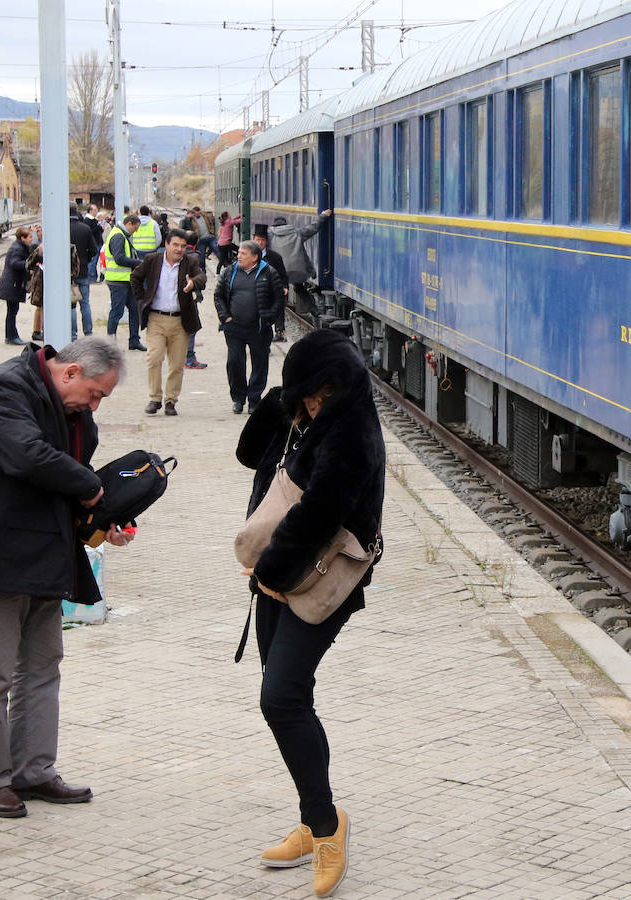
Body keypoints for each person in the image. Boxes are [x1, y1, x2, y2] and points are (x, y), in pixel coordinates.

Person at [0, 337, 133, 819]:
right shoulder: (2, 389)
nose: (94, 406)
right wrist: (90, 488)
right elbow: (26, 456)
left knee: (42, 667)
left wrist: (103, 516)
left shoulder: (69, 409)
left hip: (46, 555)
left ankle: (33, 770)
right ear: (69, 373)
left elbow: (75, 466)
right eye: (94, 395)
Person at [235, 329, 385, 898]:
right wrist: (283, 402)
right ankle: (310, 814)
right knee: (291, 696)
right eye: (309, 394)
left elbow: (321, 513)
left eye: (323, 393)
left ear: (343, 388)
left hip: (319, 575)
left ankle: (327, 829)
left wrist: (269, 570)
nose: (316, 403)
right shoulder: (302, 416)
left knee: (281, 697)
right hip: (279, 570)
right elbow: (250, 454)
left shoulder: (353, 432)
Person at [131, 228, 207, 416]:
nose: (179, 249)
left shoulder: (190, 262)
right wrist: (142, 299)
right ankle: (155, 398)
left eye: (183, 246)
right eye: (175, 245)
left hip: (180, 321)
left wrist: (193, 284)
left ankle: (171, 401)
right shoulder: (153, 260)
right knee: (154, 358)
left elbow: (202, 277)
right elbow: (135, 277)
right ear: (166, 244)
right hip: (156, 318)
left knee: (176, 364)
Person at [213, 240, 283, 415]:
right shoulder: (230, 271)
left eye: (243, 254)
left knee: (260, 364)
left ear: (255, 257)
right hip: (234, 327)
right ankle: (238, 398)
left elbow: (279, 299)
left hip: (259, 328)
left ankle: (254, 399)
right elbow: (218, 295)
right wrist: (225, 317)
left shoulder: (269, 272)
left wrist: (268, 319)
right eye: (239, 253)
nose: (239, 256)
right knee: (235, 362)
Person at [269, 210, 332, 318]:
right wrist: (323, 216)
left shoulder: (270, 235)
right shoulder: (297, 233)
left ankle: (279, 317)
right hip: (297, 270)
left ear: (274, 226)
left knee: (278, 292)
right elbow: (313, 228)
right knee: (299, 287)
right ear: (286, 225)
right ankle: (314, 310)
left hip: (279, 271)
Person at [105, 213, 147, 351]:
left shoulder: (121, 235)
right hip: (118, 281)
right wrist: (139, 262)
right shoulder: (118, 236)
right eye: (135, 228)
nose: (135, 231)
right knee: (117, 312)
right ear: (129, 224)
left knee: (134, 309)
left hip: (126, 280)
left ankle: (134, 340)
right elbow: (119, 258)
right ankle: (111, 343)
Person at [0, 225, 34, 346]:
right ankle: (11, 336)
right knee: (12, 311)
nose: (31, 239)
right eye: (29, 237)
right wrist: (28, 264)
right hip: (12, 284)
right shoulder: (18, 248)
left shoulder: (19, 246)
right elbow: (15, 263)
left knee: (12, 311)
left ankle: (11, 335)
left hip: (12, 283)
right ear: (22, 238)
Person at [252, 224, 288, 342]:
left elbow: (283, 274)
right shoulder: (248, 256)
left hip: (273, 289)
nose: (260, 243)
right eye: (258, 240)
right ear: (254, 240)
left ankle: (279, 331)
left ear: (266, 241)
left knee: (278, 306)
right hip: (255, 290)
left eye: (262, 240)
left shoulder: (275, 257)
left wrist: (285, 286)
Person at [69, 204, 97, 339]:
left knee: (71, 304)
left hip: (68, 272)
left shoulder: (62, 228)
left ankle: (73, 334)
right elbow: (94, 250)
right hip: (83, 271)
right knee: (85, 303)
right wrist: (85, 259)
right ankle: (88, 332)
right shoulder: (85, 229)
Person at [183, 230, 207, 370]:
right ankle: (189, 358)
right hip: (189, 296)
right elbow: (201, 278)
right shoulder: (195, 257)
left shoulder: (177, 255)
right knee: (191, 326)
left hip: (180, 295)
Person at [84, 204, 105, 282]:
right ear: (90, 211)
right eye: (95, 210)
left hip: (98, 242)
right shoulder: (87, 220)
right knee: (93, 261)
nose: (96, 212)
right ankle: (91, 277)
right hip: (94, 243)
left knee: (97, 261)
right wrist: (99, 228)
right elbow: (91, 231)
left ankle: (95, 276)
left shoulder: (94, 220)